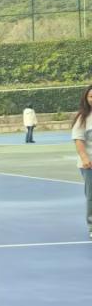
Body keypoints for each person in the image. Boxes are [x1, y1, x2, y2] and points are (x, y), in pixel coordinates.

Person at [71, 84, 92, 239]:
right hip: (89, 164)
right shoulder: (82, 118)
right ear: (86, 98)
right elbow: (78, 140)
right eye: (91, 96)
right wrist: (85, 158)